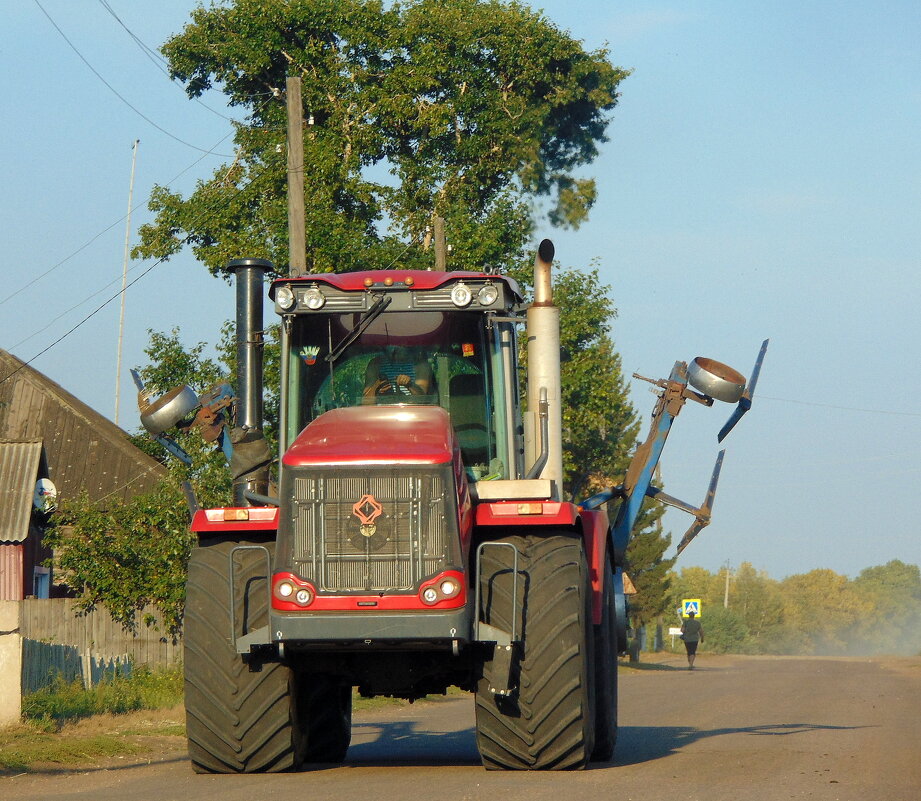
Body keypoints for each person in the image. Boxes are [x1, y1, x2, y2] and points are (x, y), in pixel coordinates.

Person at [362, 346, 434, 402]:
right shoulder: (375, 364)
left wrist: (410, 385)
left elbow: (423, 400)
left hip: (412, 414)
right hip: (381, 415)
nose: (395, 347)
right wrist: (377, 386)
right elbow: (365, 402)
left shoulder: (420, 365)